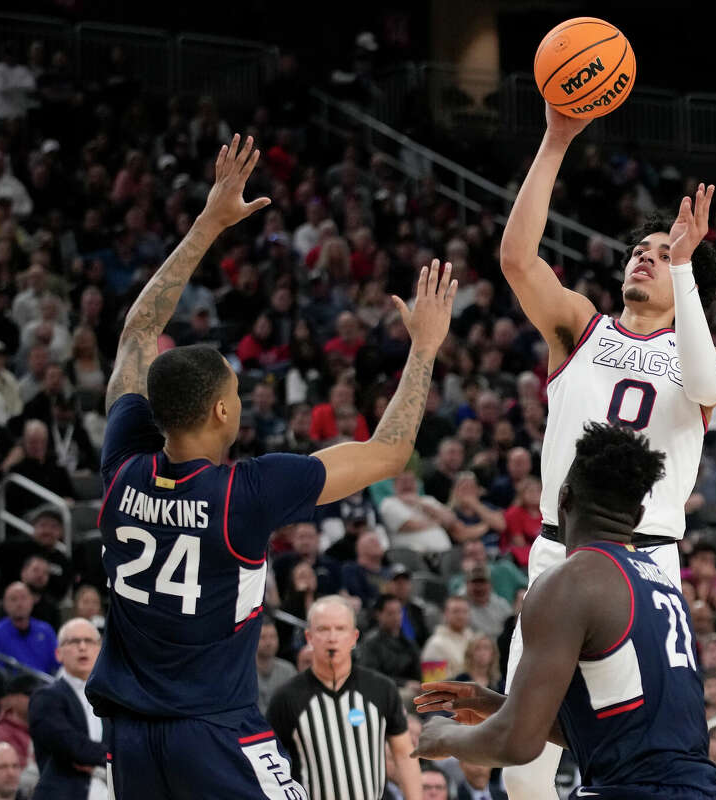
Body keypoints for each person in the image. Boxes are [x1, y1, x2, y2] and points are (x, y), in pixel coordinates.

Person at [85, 135, 456, 799]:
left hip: (132, 739)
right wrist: (424, 350)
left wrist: (208, 221)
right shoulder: (247, 494)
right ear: (224, 413)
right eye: (233, 387)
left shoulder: (122, 461)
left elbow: (138, 331)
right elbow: (390, 452)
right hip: (216, 733)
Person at [495, 104, 716, 800]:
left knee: (639, 746)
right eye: (641, 250)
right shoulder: (580, 326)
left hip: (646, 560)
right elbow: (515, 259)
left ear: (689, 280)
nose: (645, 258)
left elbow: (703, 381)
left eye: (663, 254)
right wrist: (556, 137)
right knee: (526, 751)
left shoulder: (704, 358)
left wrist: (686, 267)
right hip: (557, 551)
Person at [412, 423, 716, 799]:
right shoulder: (662, 584)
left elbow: (517, 744)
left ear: (564, 499)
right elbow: (618, 733)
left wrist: (446, 735)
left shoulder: (571, 582)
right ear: (639, 514)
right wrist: (498, 705)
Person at [265, 596, 421, 800]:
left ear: (354, 637)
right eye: (323, 629)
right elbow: (269, 767)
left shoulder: (381, 689)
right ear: (309, 637)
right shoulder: (286, 697)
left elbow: (403, 756)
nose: (332, 637)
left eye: (340, 629)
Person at [28, 619, 105, 800]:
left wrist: (100, 761)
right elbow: (71, 745)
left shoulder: (114, 701)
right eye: (74, 641)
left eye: (89, 641)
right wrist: (112, 756)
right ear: (58, 653)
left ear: (100, 650)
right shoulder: (45, 697)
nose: (82, 647)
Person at [0, 583, 57, 676]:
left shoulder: (46, 631)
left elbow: (58, 664)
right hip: (12, 688)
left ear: (32, 601)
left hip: (46, 686)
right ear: (5, 604)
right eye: (13, 599)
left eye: (23, 598)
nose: (19, 604)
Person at [356, 593, 422, 686]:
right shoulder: (371, 643)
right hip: (383, 691)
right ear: (379, 615)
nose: (396, 617)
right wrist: (404, 683)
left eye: (399, 612)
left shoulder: (408, 641)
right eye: (390, 613)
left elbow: (418, 672)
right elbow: (371, 677)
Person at [255, 618, 296, 715]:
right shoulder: (244, 672)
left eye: (273, 637)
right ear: (253, 640)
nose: (269, 642)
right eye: (263, 637)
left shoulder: (288, 670)